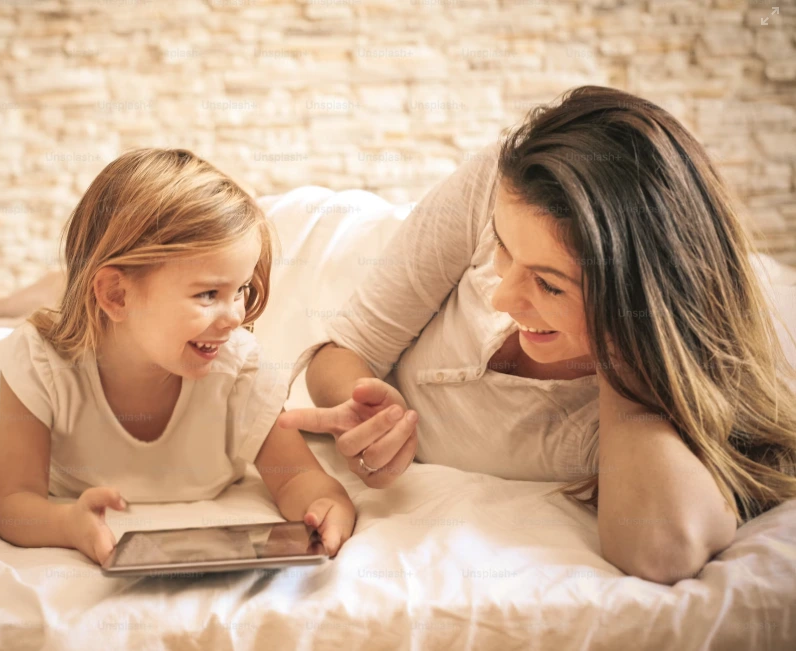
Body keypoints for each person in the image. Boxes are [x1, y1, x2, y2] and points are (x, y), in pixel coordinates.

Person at [276, 86, 796, 584]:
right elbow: (343, 349)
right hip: (322, 263)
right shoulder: (499, 185)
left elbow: (661, 550)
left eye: (549, 285)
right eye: (503, 249)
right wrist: (366, 409)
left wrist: (623, 347)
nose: (501, 298)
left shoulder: (641, 417)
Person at [0, 148, 355, 565]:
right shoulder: (39, 363)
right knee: (13, 319)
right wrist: (66, 523)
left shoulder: (238, 370)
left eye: (241, 290)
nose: (236, 317)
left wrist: (327, 503)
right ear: (117, 295)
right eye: (208, 294)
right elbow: (15, 504)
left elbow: (299, 480)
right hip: (30, 353)